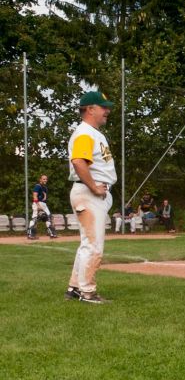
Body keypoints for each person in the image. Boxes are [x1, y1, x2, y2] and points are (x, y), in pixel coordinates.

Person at [66, 90, 117, 304]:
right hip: (88, 193)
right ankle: (87, 292)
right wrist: (95, 188)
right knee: (94, 246)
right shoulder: (85, 132)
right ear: (90, 109)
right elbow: (79, 161)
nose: (107, 111)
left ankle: (75, 288)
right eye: (103, 107)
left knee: (87, 244)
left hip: (90, 192)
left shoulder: (93, 133)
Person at [27, 174, 58, 239]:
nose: (45, 180)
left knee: (49, 217)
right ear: (40, 179)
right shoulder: (38, 186)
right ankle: (30, 235)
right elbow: (35, 196)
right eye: (44, 179)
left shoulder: (45, 188)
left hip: (44, 204)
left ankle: (52, 234)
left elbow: (44, 197)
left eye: (46, 179)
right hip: (37, 203)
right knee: (35, 218)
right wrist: (38, 205)